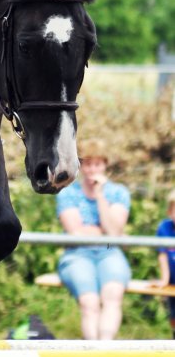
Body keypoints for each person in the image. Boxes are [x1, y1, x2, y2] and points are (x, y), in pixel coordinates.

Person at [55, 138, 131, 340]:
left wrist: (99, 197)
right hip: (77, 255)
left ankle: (105, 349)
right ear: (80, 165)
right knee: (90, 303)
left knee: (113, 295)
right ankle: (92, 350)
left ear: (105, 165)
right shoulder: (68, 193)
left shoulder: (118, 192)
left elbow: (112, 233)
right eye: (87, 164)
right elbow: (75, 232)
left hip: (109, 252)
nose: (92, 170)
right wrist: (105, 231)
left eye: (97, 164)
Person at [153, 189, 175, 337]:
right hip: (172, 281)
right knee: (173, 315)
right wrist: (164, 279)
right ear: (169, 212)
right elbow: (162, 255)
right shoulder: (165, 228)